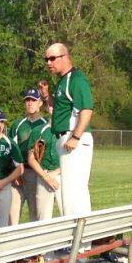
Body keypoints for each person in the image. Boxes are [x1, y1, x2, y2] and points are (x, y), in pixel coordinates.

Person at [40, 43, 94, 216]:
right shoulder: (63, 81)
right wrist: (46, 96)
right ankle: (80, 239)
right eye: (46, 59)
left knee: (73, 193)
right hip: (67, 138)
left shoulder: (76, 78)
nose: (48, 62)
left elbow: (86, 109)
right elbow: (57, 110)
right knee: (71, 192)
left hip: (74, 138)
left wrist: (76, 137)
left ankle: (81, 241)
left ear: (64, 57)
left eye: (52, 58)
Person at [0, 107, 23, 229]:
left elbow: (20, 168)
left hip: (4, 187)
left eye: (2, 122)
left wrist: (4, 182)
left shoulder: (9, 142)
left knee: (2, 227)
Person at [11, 90, 43, 224]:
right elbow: (11, 149)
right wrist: (14, 172)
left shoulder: (45, 124)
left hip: (35, 172)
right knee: (11, 214)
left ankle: (34, 243)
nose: (30, 103)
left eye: (33, 100)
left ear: (40, 103)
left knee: (35, 213)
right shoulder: (18, 124)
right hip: (18, 171)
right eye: (27, 100)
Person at [25, 109, 62, 221]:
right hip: (43, 175)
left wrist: (56, 172)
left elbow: (72, 158)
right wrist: (46, 177)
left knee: (68, 215)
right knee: (43, 218)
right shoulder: (38, 131)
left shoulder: (68, 130)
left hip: (63, 174)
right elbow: (31, 159)